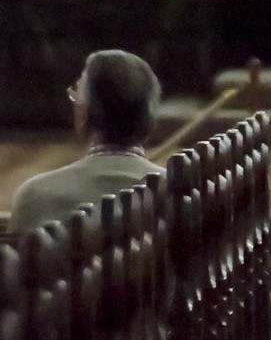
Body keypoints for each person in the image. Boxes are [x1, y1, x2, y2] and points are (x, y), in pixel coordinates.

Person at [7, 50, 161, 234]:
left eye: (75, 97)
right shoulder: (180, 192)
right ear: (150, 120)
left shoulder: (35, 197)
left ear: (83, 115)